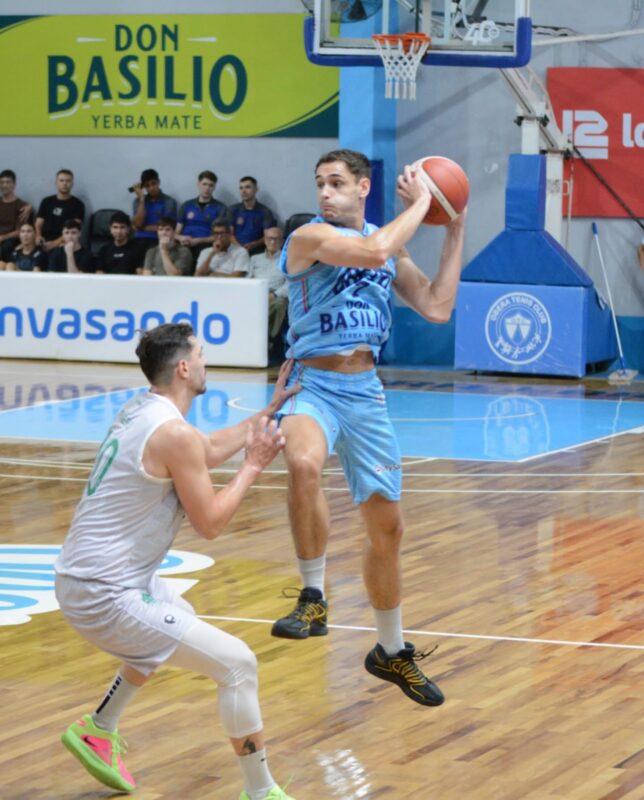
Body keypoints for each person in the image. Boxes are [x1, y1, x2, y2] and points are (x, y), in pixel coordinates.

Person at [54, 322, 298, 800]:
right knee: (238, 665)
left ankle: (100, 727)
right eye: (202, 355)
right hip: (104, 593)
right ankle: (260, 790)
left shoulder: (141, 410)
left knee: (176, 621)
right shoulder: (173, 433)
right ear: (185, 367)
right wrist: (252, 465)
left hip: (88, 578)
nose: (207, 363)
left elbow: (204, 451)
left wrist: (266, 414)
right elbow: (209, 523)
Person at [271, 149, 466, 707]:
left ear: (363, 188)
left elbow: (436, 306)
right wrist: (428, 200)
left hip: (366, 393)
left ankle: (389, 649)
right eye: (320, 183)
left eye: (336, 183)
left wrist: (455, 227)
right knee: (304, 462)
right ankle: (313, 596)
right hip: (313, 383)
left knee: (389, 530)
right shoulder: (309, 237)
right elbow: (374, 248)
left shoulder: (388, 247)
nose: (325, 193)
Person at [248, 226, 289, 349]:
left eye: (276, 239)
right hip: (254, 294)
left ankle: (268, 340)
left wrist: (274, 295)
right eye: (270, 239)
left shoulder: (287, 259)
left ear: (282, 241)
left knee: (279, 304)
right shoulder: (254, 259)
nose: (272, 242)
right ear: (265, 240)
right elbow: (247, 279)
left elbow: (290, 283)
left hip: (276, 294)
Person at [176, 170, 228, 259]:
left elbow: (220, 236)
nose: (207, 188)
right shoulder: (186, 205)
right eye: (204, 184)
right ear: (198, 184)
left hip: (206, 245)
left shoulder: (221, 207)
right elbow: (176, 232)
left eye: (210, 185)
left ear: (214, 187)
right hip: (184, 245)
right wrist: (180, 238)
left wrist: (198, 241)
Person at [35, 169, 85, 252]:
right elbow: (38, 224)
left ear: (72, 184)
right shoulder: (46, 201)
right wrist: (38, 236)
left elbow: (74, 229)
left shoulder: (78, 204)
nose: (64, 183)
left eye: (68, 181)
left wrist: (54, 243)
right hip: (44, 240)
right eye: (61, 180)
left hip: (65, 240)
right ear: (56, 183)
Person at [131, 168, 178, 252]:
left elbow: (166, 228)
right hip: (139, 239)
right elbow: (138, 224)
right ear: (143, 187)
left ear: (158, 182)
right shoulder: (138, 201)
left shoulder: (169, 201)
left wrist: (142, 228)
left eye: (153, 184)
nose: (151, 188)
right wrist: (142, 200)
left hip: (160, 239)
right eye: (147, 186)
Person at [228, 176, 276, 256]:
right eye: (241, 188)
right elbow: (229, 234)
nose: (243, 191)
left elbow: (268, 236)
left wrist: (254, 244)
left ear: (256, 189)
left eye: (247, 187)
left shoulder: (265, 212)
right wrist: (239, 248)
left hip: (257, 251)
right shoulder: (233, 209)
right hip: (235, 249)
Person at [0, 169, 32, 261]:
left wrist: (3, 237)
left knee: (6, 248)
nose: (4, 185)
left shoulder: (22, 207)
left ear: (14, 185)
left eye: (8, 182)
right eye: (1, 182)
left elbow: (20, 231)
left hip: (11, 240)